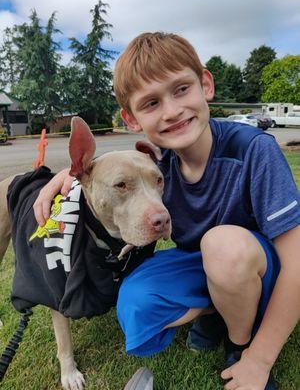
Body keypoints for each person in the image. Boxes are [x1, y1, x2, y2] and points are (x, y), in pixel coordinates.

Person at [34, 32, 300, 390]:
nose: (172, 111)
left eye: (180, 89)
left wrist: (261, 359)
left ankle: (239, 345)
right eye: (151, 103)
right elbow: (116, 172)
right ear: (131, 118)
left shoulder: (253, 150)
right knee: (134, 301)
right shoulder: (159, 166)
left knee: (223, 246)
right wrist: (66, 176)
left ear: (205, 84)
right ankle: (219, 311)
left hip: (259, 268)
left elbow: (297, 262)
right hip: (209, 265)